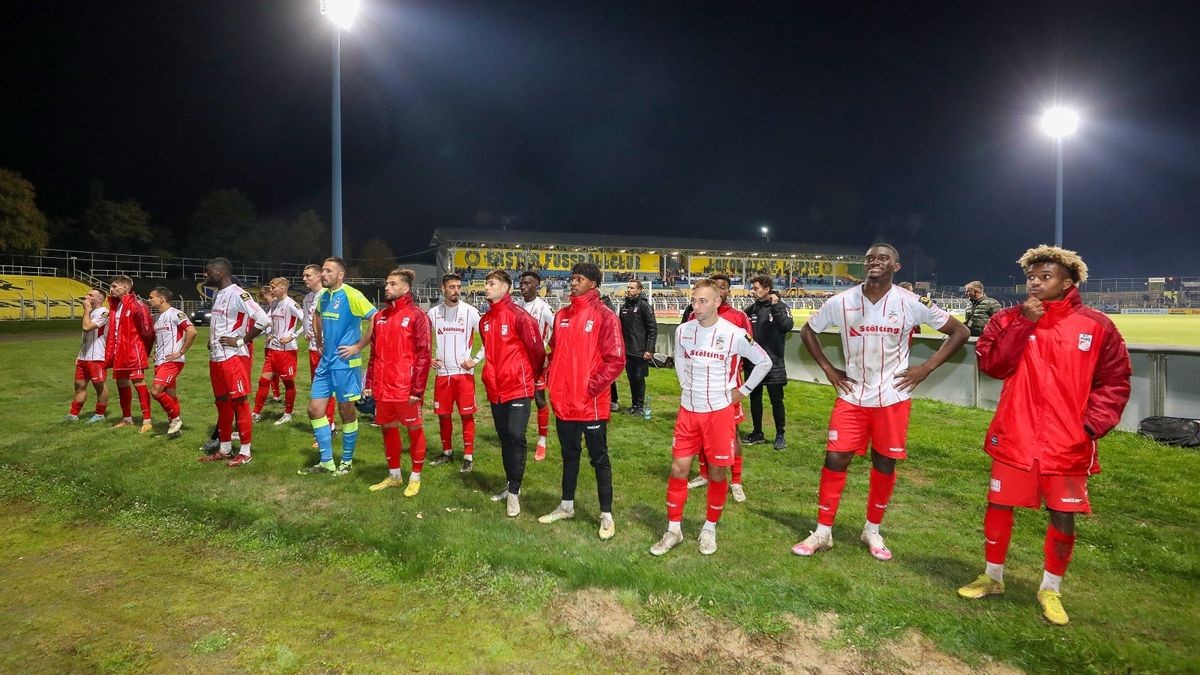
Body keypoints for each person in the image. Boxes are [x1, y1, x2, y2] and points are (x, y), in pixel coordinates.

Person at [957, 245, 1130, 626]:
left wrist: (1091, 425)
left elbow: (1115, 380)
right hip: (1016, 433)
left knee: (1063, 513)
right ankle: (993, 576)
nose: (1035, 283)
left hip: (1068, 441)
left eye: (1045, 277)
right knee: (999, 504)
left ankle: (1051, 587)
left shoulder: (1097, 326)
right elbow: (993, 365)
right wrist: (1023, 322)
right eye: (1031, 277)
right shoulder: (1007, 318)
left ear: (1068, 281)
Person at [792, 244, 969, 561]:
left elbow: (960, 331)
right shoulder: (842, 301)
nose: (875, 261)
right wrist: (829, 369)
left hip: (892, 397)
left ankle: (871, 530)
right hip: (852, 396)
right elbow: (808, 331)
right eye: (870, 258)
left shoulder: (911, 302)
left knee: (884, 463)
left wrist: (926, 368)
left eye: (883, 258)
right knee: (835, 459)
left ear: (896, 266)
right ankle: (822, 532)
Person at [650, 279, 772, 556]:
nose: (696, 305)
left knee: (717, 472)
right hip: (688, 412)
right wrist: (685, 386)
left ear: (717, 301)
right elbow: (679, 359)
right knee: (678, 469)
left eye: (702, 300)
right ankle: (673, 530)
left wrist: (743, 391)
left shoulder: (734, 333)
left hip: (718, 413)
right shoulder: (683, 330)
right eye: (694, 300)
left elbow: (764, 362)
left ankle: (709, 528)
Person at [538, 262, 625, 539]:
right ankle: (566, 506)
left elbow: (615, 360)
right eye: (571, 278)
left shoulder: (605, 315)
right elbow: (555, 352)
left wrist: (589, 387)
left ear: (593, 284)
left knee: (599, 459)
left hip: (590, 403)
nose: (573, 282)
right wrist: (552, 380)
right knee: (569, 456)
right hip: (564, 403)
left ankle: (606, 515)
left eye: (579, 279)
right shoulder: (561, 315)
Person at [301, 257, 377, 476]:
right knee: (314, 410)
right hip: (326, 363)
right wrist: (319, 339)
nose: (323, 274)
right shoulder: (323, 296)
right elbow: (316, 315)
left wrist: (359, 346)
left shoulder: (352, 295)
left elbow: (375, 317)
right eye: (323, 270)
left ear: (340, 275)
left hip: (346, 363)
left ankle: (346, 461)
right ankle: (326, 461)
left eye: (328, 271)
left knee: (346, 411)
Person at [478, 269, 546, 517]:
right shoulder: (484, 320)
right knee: (505, 438)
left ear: (505, 288)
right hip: (496, 389)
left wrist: (530, 377)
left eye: (492, 283)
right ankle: (510, 484)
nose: (487, 287)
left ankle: (515, 492)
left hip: (518, 387)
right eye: (486, 283)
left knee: (517, 436)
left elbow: (537, 351)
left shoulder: (520, 317)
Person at [688, 272, 756, 503]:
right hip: (699, 387)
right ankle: (704, 473)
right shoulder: (693, 317)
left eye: (724, 286)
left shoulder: (738, 318)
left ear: (727, 291)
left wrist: (741, 385)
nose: (720, 289)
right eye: (715, 286)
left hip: (727, 387)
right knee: (700, 431)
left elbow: (750, 348)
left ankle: (736, 481)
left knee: (732, 432)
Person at [364, 269, 432, 496]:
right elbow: (374, 354)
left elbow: (424, 354)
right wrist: (370, 382)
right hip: (383, 388)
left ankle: (415, 476)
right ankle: (394, 475)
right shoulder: (380, 317)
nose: (387, 287)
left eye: (392, 284)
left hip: (406, 388)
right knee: (387, 429)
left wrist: (418, 389)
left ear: (405, 288)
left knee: (414, 429)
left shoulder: (417, 316)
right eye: (386, 284)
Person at [197, 258, 269, 467]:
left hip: (233, 357)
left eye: (207, 271)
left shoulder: (239, 293)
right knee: (222, 402)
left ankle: (245, 452)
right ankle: (225, 448)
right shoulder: (219, 294)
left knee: (239, 402)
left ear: (220, 272)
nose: (205, 275)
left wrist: (241, 340)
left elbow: (263, 320)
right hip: (217, 357)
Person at [427, 273, 484, 472]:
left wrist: (475, 360)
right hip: (443, 374)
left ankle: (468, 456)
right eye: (452, 287)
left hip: (463, 374)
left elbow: (488, 338)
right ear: (443, 288)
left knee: (466, 415)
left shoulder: (470, 312)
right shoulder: (433, 313)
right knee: (443, 415)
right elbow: (422, 338)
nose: (456, 291)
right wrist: (428, 358)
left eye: (458, 287)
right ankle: (447, 451)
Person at [743, 275, 793, 450]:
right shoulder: (750, 310)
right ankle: (757, 433)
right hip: (753, 364)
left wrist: (776, 305)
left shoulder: (780, 306)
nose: (753, 291)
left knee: (776, 400)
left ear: (766, 288)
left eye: (756, 288)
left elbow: (787, 326)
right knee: (754, 399)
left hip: (774, 364)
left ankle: (780, 435)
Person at [104, 275, 156, 432]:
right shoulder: (115, 305)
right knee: (121, 383)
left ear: (125, 288)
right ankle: (127, 418)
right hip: (119, 352)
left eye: (114, 286)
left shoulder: (137, 305)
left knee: (139, 382)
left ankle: (147, 420)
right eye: (111, 286)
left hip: (134, 351)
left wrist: (143, 351)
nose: (111, 289)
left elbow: (147, 332)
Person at [253, 278, 304, 425]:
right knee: (263, 381)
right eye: (271, 287)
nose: (271, 290)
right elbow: (269, 321)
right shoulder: (274, 303)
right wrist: (270, 334)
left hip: (287, 351)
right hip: (273, 350)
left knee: (288, 383)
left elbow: (307, 320)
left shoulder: (291, 304)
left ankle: (288, 414)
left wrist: (292, 336)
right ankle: (255, 413)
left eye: (274, 287)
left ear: (283, 288)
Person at [516, 270, 556, 460]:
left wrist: (550, 354)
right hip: (518, 362)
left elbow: (558, 332)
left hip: (537, 362)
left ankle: (542, 440)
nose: (523, 286)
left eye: (528, 283)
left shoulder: (544, 308)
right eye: (522, 283)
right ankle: (518, 437)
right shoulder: (516, 306)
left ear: (537, 286)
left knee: (539, 398)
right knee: (520, 400)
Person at [147, 287, 196, 438]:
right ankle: (174, 429)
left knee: (155, 391)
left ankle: (175, 419)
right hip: (160, 361)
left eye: (152, 297)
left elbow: (192, 331)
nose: (149, 300)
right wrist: (156, 353)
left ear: (162, 298)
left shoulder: (176, 313)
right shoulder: (158, 318)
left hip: (172, 361)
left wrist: (180, 352)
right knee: (171, 395)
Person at [64, 288, 110, 423]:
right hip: (84, 356)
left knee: (99, 386)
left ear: (100, 300)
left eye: (90, 295)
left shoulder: (104, 312)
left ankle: (100, 414)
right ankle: (73, 414)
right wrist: (79, 355)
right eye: (87, 294)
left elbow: (87, 327)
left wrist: (86, 311)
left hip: (97, 356)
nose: (86, 296)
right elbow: (85, 336)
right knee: (79, 385)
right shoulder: (91, 312)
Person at [301, 264, 336, 437]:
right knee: (317, 386)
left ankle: (329, 425)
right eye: (304, 276)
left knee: (327, 388)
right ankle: (323, 422)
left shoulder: (326, 295)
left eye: (308, 275)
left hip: (325, 350)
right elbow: (308, 320)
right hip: (312, 348)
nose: (304, 278)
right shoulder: (307, 297)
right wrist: (307, 332)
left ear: (317, 277)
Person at [618, 279, 658, 416]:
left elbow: (652, 329)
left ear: (640, 290)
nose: (629, 290)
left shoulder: (645, 306)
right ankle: (634, 405)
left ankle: (640, 407)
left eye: (633, 288)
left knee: (639, 378)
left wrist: (649, 349)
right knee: (631, 378)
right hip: (627, 351)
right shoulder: (624, 307)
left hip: (640, 351)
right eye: (628, 287)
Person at [260, 284, 282, 403]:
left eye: (265, 297)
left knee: (277, 371)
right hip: (268, 344)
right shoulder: (271, 307)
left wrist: (272, 333)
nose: (264, 300)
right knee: (272, 372)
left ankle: (278, 394)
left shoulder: (278, 306)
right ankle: (276, 394)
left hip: (276, 344)